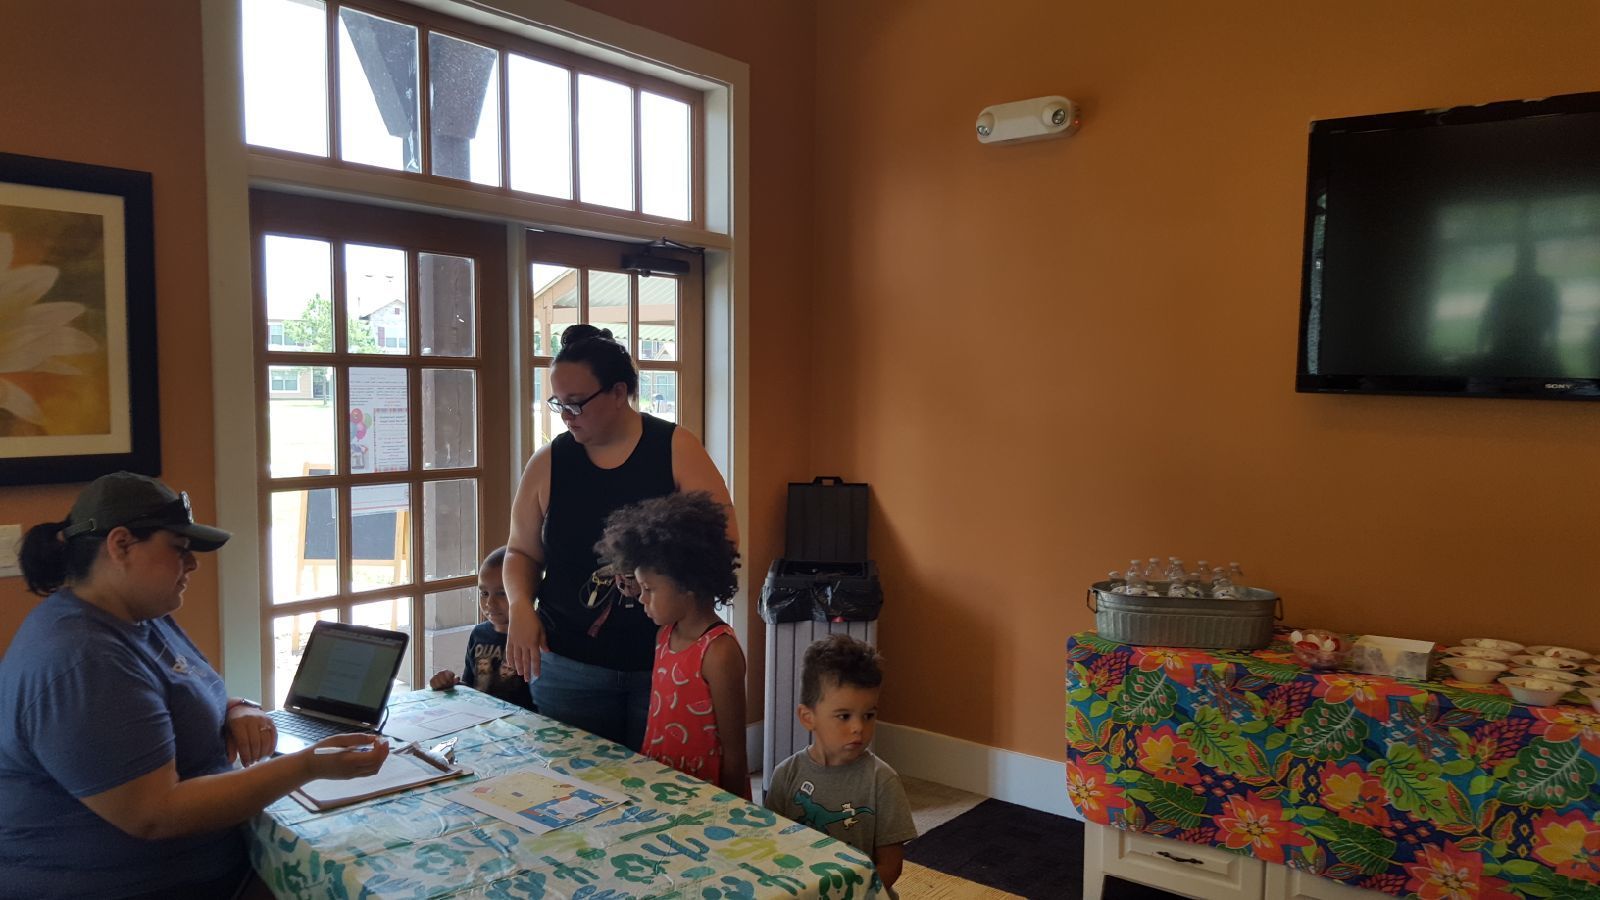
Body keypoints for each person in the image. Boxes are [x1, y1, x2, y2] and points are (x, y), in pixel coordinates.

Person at [0, 471, 389, 899]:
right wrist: (307, 766)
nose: (193, 564)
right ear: (121, 545)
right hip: (137, 886)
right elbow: (156, 814)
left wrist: (237, 707)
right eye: (179, 550)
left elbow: (172, 691)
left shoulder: (141, 616)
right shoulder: (82, 660)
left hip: (215, 862)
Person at [504, 323, 736, 750]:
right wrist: (520, 605)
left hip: (665, 659)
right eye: (559, 404)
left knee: (660, 792)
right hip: (568, 664)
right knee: (568, 792)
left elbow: (723, 541)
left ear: (618, 392)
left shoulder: (675, 447)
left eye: (576, 404)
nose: (566, 416)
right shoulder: (550, 461)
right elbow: (521, 551)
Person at [595, 492, 749, 799]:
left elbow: (735, 752)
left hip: (705, 793)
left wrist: (741, 811)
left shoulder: (718, 653)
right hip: (660, 780)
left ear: (688, 585)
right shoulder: (665, 634)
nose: (641, 598)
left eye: (650, 589)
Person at [763, 634, 916, 897]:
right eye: (844, 716)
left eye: (869, 715)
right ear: (808, 717)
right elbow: (773, 848)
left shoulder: (882, 780)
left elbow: (891, 866)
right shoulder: (786, 775)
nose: (858, 727)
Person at [429, 547, 534, 710]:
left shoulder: (534, 636)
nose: (489, 603)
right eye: (484, 593)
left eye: (502, 593)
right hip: (481, 719)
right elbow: (471, 686)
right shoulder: (479, 634)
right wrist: (450, 683)